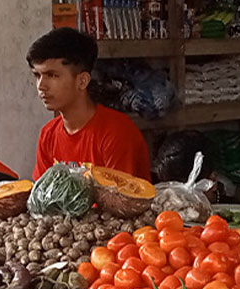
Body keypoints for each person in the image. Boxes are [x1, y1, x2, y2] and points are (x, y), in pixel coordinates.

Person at [28, 28, 151, 180]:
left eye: (52, 75)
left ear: (82, 81)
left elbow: (118, 201)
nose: (41, 86)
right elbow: (41, 197)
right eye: (37, 75)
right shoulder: (48, 135)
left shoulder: (117, 133)